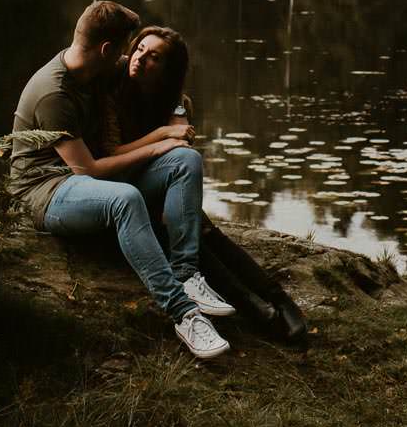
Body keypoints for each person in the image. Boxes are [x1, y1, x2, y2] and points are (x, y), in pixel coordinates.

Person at [9, 1, 236, 360]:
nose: (134, 55)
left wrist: (177, 121)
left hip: (84, 183)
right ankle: (183, 313)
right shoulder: (53, 93)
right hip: (46, 190)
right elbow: (89, 170)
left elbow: (169, 84)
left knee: (185, 160)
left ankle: (187, 274)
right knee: (124, 198)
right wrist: (158, 144)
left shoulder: (95, 65)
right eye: (129, 46)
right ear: (108, 49)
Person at [95, 23, 309, 345]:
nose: (140, 59)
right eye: (139, 49)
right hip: (122, 186)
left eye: (153, 57)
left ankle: (279, 300)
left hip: (159, 186)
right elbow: (113, 153)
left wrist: (175, 121)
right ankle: (255, 309)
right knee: (188, 234)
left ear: (168, 71)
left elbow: (183, 149)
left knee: (204, 232)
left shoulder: (176, 102)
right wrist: (163, 135)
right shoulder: (110, 94)